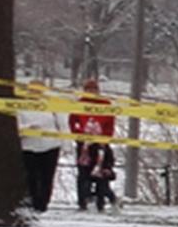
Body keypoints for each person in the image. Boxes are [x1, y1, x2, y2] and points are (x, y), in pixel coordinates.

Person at [68, 76, 118, 210]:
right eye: (88, 89)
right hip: (84, 144)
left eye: (94, 89)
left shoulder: (105, 104)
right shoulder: (80, 104)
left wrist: (105, 138)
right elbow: (73, 121)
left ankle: (102, 202)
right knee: (83, 173)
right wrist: (78, 135)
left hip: (101, 144)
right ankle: (82, 202)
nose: (91, 92)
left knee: (101, 173)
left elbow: (110, 124)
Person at [16, 91, 66, 213]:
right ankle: (32, 202)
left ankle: (43, 204)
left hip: (50, 146)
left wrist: (65, 144)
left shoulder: (51, 106)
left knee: (47, 177)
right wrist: (29, 128)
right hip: (29, 147)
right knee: (31, 177)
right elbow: (16, 128)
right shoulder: (21, 108)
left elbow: (62, 125)